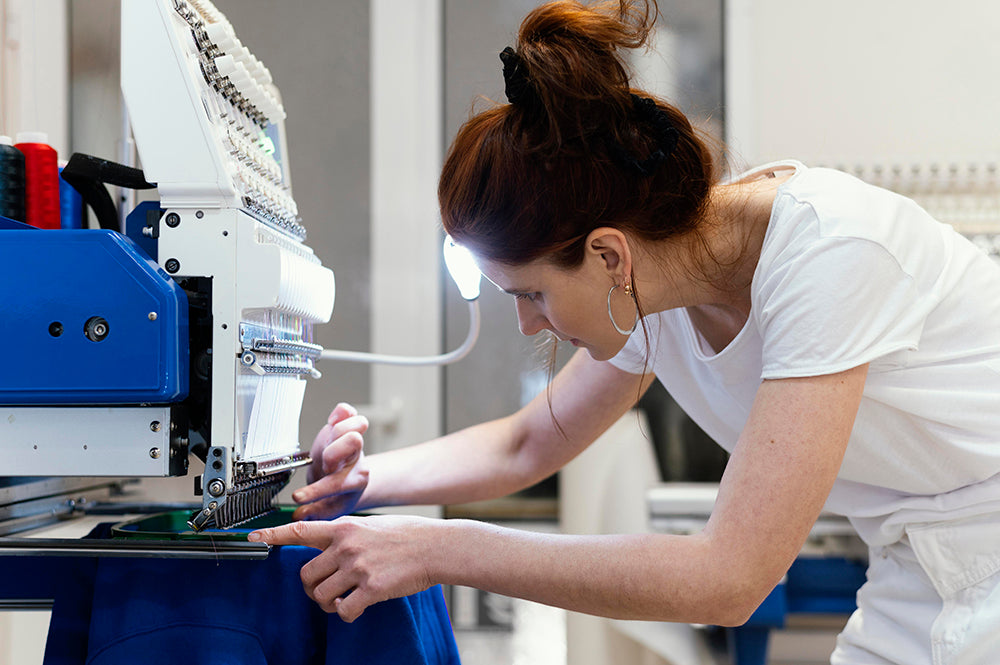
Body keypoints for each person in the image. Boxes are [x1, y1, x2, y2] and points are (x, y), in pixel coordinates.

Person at [249, 1, 1000, 662]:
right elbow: (527, 443)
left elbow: (729, 579)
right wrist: (355, 480)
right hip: (917, 569)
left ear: (607, 254)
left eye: (534, 292)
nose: (526, 320)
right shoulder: (656, 282)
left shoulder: (829, 256)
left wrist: (437, 547)